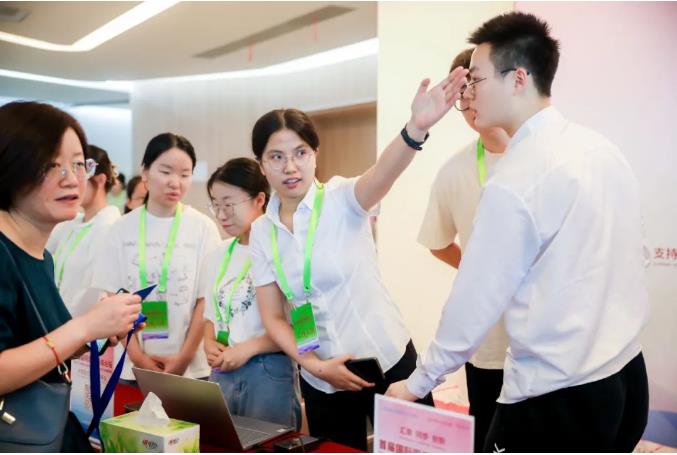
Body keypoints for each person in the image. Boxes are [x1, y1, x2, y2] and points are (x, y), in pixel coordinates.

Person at [387, 12, 649, 452]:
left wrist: (416, 384)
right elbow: (634, 255)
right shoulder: (599, 148)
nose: (468, 93)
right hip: (625, 376)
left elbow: (471, 306)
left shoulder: (514, 179)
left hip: (558, 396)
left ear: (519, 79)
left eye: (476, 79)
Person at [249, 67, 468, 450]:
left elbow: (384, 172)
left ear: (315, 154)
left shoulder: (342, 200)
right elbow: (273, 316)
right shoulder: (262, 232)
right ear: (261, 163)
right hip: (322, 378)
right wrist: (316, 367)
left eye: (300, 153)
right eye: (276, 156)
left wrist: (415, 128)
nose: (290, 167)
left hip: (388, 363)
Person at [0, 101, 141, 451]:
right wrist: (85, 328)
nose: (72, 178)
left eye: (79, 164)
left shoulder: (41, 256)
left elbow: (40, 345)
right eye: (51, 165)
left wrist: (99, 326)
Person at [417, 47, 510, 452]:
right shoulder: (454, 171)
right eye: (462, 92)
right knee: (488, 438)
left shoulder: (544, 157)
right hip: (487, 343)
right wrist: (478, 271)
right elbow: (437, 243)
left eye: (476, 86)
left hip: (546, 343)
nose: (469, 101)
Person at [93, 133, 220, 381]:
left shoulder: (203, 228)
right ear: (145, 172)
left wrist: (183, 358)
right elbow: (113, 297)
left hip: (191, 370)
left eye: (185, 174)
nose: (175, 182)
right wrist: (139, 358)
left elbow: (205, 301)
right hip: (131, 368)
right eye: (166, 171)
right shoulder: (121, 229)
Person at [199, 157, 301, 429]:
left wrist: (249, 348)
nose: (221, 215)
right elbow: (211, 315)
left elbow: (303, 327)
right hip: (223, 371)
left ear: (259, 200)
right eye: (216, 205)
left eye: (229, 204)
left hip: (268, 371)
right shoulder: (219, 253)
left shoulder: (284, 249)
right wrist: (208, 343)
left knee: (266, 443)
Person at [46, 145, 121, 317]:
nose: (72, 184)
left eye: (79, 177)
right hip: (60, 323)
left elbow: (94, 294)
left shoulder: (110, 228)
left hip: (84, 327)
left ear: (100, 180)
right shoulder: (70, 223)